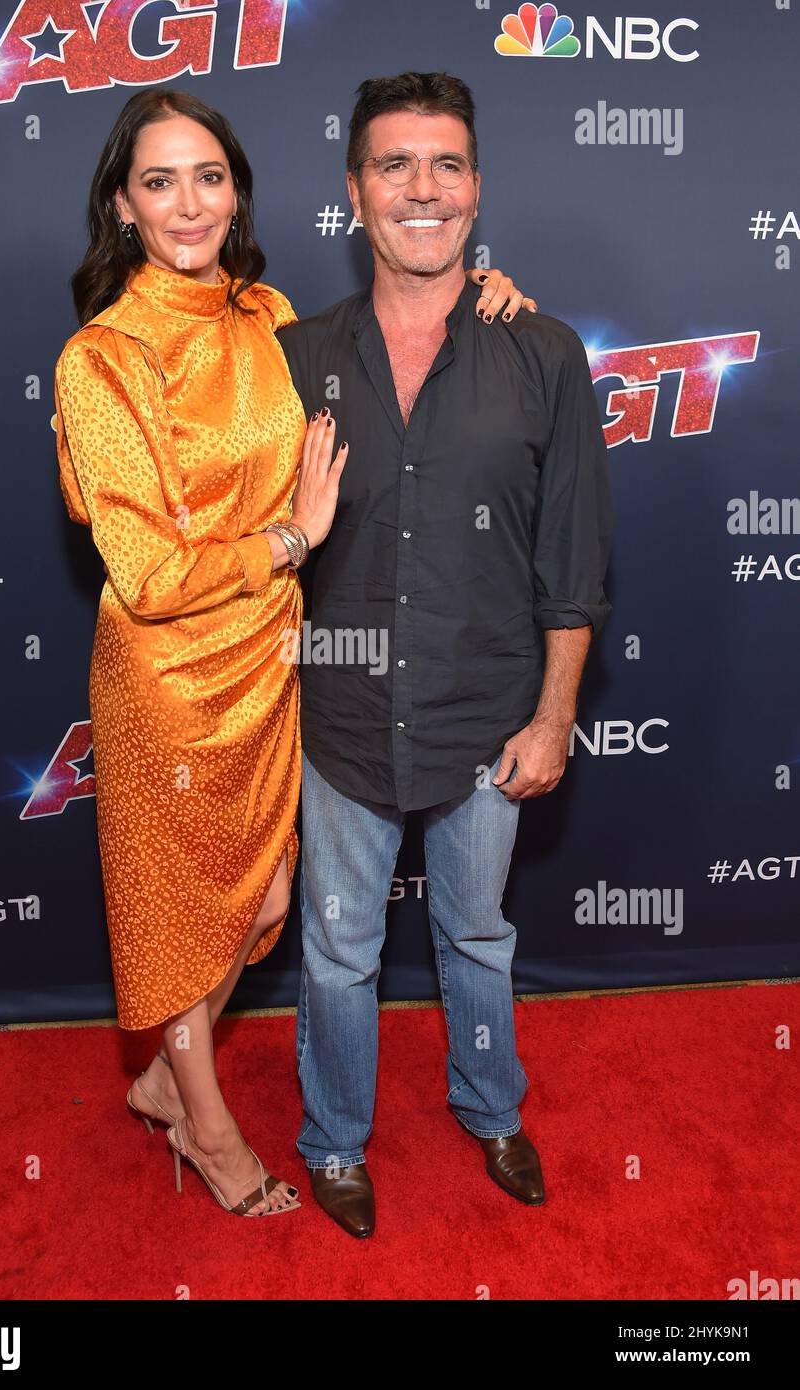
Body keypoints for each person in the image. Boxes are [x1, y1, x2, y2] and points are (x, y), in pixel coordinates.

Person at [53, 86, 532, 1219]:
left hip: (273, 666)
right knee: (184, 915)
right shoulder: (102, 357)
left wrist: (486, 297)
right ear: (122, 205)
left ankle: (164, 1081)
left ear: (238, 194)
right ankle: (206, 1126)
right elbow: (149, 575)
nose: (188, 204)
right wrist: (289, 539)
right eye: (159, 181)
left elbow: (390, 344)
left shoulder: (263, 314)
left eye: (208, 177)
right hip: (171, 679)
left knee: (262, 901)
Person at [276, 72, 614, 1238]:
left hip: (487, 716)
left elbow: (572, 559)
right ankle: (333, 1139)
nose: (422, 189)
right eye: (394, 165)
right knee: (337, 949)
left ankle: (490, 1108)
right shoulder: (291, 357)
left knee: (477, 934)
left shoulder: (544, 354)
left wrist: (554, 716)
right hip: (340, 718)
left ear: (476, 187)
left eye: (446, 165)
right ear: (354, 192)